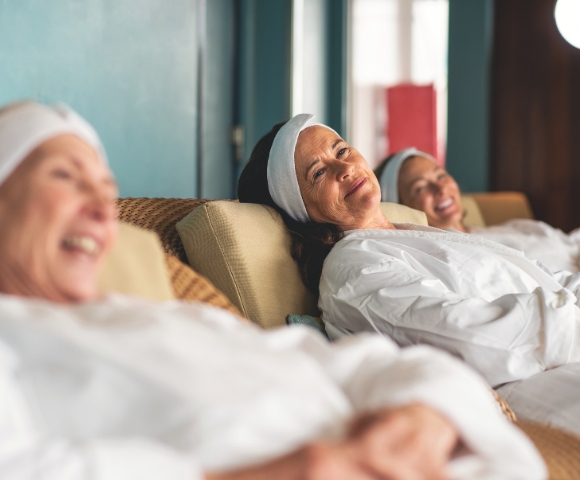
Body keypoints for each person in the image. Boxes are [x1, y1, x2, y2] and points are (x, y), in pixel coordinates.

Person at [0, 102, 543, 479]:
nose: (102, 211)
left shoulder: (174, 317)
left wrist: (426, 415)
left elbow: (368, 365)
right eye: (66, 178)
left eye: (106, 188)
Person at [238, 113, 580, 436]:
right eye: (317, 174)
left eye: (341, 150)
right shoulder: (353, 271)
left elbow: (544, 277)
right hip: (523, 390)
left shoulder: (411, 231)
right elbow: (473, 341)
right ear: (303, 212)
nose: (343, 168)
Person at [375, 148, 580, 273]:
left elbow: (569, 241)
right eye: (420, 188)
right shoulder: (452, 258)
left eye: (441, 176)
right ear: (403, 207)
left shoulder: (514, 226)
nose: (441, 188)